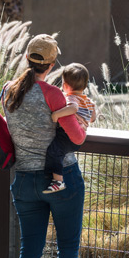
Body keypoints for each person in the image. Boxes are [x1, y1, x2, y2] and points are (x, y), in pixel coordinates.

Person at [3, 34, 97, 258]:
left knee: (29, 249)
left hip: (24, 179)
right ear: (53, 64)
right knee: (67, 248)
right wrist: (86, 119)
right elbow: (78, 138)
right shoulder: (53, 95)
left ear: (27, 58)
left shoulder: (8, 91)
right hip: (62, 181)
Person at [44, 63, 97, 194]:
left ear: (65, 85)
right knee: (58, 152)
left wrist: (57, 114)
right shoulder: (88, 101)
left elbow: (73, 108)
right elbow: (93, 118)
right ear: (85, 86)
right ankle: (57, 179)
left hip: (68, 135)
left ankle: (58, 181)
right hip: (80, 136)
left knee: (54, 151)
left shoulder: (71, 98)